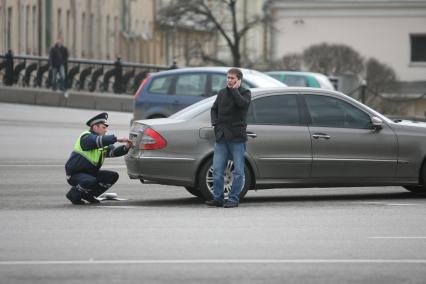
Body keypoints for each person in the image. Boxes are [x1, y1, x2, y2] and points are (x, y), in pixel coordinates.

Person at [206, 68, 251, 208]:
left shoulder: (245, 93)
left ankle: (233, 199)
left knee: (238, 171)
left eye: (232, 78)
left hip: (237, 138)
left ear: (239, 80)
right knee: (218, 170)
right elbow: (214, 109)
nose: (229, 80)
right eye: (228, 78)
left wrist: (234, 91)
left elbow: (242, 104)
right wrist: (215, 124)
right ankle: (218, 198)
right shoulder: (221, 93)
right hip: (221, 137)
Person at [65, 112, 132, 205]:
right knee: (89, 180)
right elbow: (95, 141)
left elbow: (114, 152)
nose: (106, 130)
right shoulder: (86, 137)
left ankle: (89, 195)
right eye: (103, 127)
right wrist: (116, 139)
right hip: (75, 175)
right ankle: (73, 195)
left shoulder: (101, 142)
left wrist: (126, 147)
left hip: (90, 174)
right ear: (95, 127)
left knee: (112, 176)